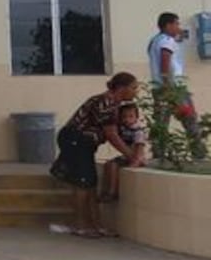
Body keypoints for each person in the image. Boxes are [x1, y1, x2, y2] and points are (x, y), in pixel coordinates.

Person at [49, 72, 141, 238]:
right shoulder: (105, 102)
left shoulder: (113, 104)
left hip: (83, 143)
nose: (136, 92)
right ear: (121, 88)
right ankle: (80, 226)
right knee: (82, 184)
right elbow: (112, 134)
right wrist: (132, 157)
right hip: (76, 141)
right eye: (134, 88)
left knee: (90, 184)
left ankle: (97, 226)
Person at [148, 12, 204, 158]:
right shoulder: (167, 41)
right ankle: (199, 155)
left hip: (159, 88)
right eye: (176, 24)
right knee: (190, 120)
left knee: (161, 124)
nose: (178, 27)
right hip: (173, 88)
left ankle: (158, 155)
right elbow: (165, 63)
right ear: (168, 25)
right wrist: (170, 89)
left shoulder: (155, 40)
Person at [99, 102, 148, 203]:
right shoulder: (122, 128)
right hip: (126, 156)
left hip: (135, 157)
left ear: (136, 117)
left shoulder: (138, 131)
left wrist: (135, 162)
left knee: (113, 165)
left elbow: (139, 148)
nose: (127, 119)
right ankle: (104, 191)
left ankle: (113, 192)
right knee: (107, 165)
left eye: (131, 116)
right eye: (124, 117)